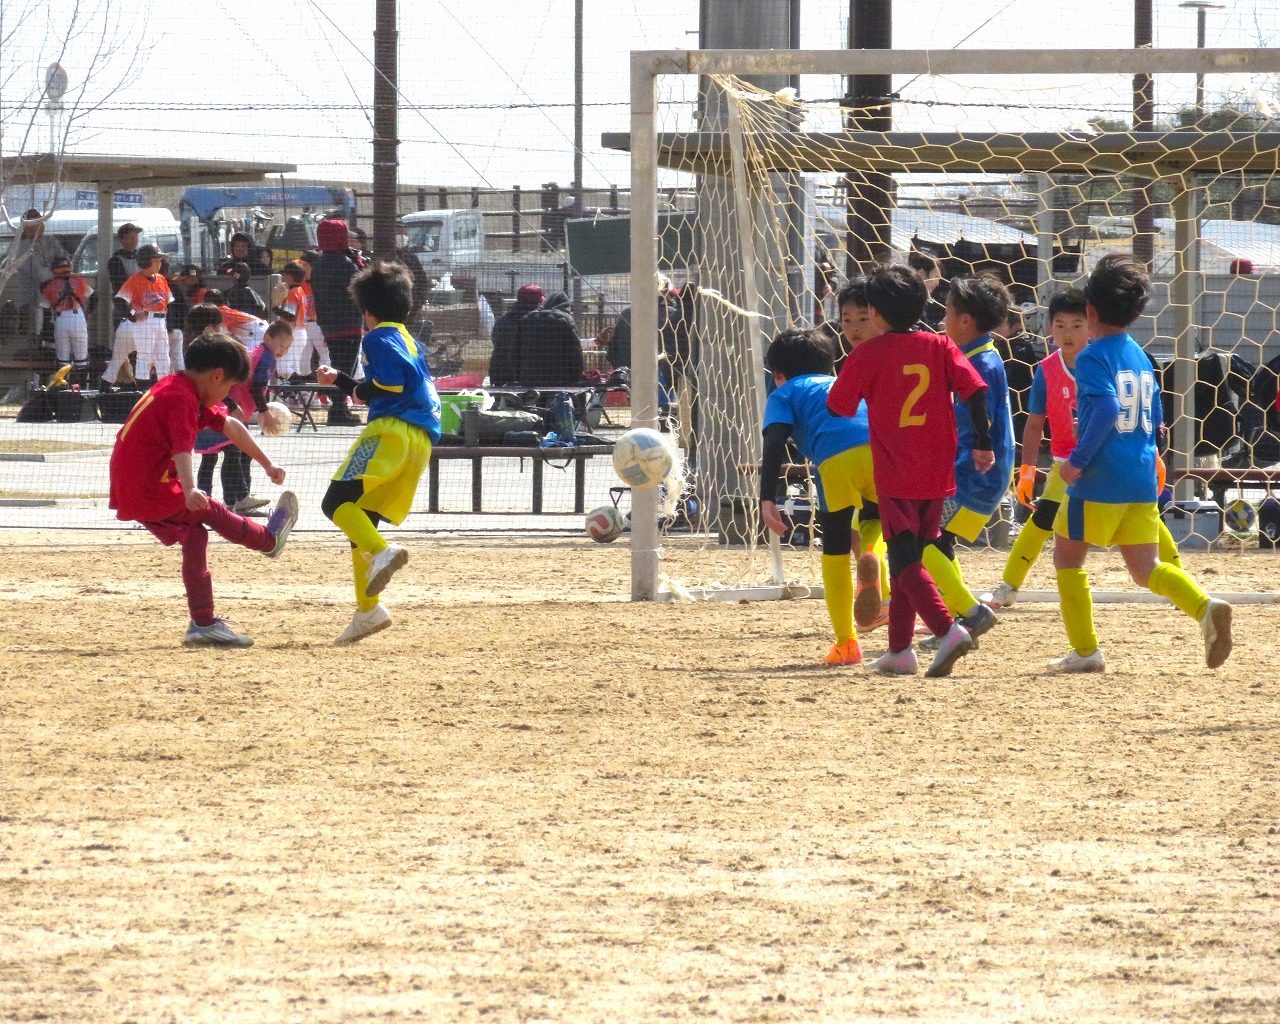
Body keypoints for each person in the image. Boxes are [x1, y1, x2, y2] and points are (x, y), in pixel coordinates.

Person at [1049, 254, 1232, 673]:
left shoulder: (1092, 357)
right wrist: (1153, 455)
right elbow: (1157, 417)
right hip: (1140, 477)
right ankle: (1204, 607)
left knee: (1067, 560)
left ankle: (1085, 652)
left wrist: (1077, 460)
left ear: (1089, 310)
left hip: (1099, 479)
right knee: (1146, 568)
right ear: (1136, 313)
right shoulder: (1140, 355)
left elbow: (1107, 408)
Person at [827, 263, 993, 678]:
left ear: (875, 313)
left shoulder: (867, 354)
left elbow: (838, 406)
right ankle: (899, 650)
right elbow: (975, 391)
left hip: (896, 470)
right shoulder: (940, 345)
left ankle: (948, 629)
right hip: (937, 468)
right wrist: (984, 443)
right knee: (909, 558)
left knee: (904, 561)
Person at [982, 287, 1184, 610]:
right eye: (1060, 326)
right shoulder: (1046, 370)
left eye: (1077, 325)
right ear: (1050, 329)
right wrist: (1027, 470)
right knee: (1041, 521)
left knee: (1148, 525)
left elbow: (1143, 411)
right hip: (1066, 465)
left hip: (1105, 463)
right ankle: (1009, 586)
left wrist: (1156, 454)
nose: (1068, 334)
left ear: (1091, 325)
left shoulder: (1105, 362)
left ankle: (1179, 582)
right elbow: (1034, 425)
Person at [108, 331, 299, 647]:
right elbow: (183, 448)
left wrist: (267, 463)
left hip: (134, 484)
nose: (226, 395)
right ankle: (268, 541)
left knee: (195, 536)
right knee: (208, 508)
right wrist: (190, 489)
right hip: (148, 486)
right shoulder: (182, 399)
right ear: (217, 376)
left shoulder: (180, 387)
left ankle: (203, 623)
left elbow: (230, 425)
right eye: (228, 388)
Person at [316, 260, 441, 645]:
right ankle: (368, 610)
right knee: (362, 519)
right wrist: (342, 381)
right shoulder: (408, 339)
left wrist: (362, 388)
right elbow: (387, 388)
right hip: (419, 439)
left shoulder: (375, 338)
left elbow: (389, 384)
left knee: (335, 503)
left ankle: (382, 553)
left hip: (390, 432)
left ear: (367, 312)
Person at [759, 327, 886, 667]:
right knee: (874, 520)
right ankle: (872, 558)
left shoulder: (784, 393)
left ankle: (847, 643)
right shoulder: (843, 382)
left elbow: (775, 441)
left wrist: (767, 497)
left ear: (778, 374)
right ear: (830, 365)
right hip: (881, 451)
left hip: (835, 459)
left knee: (835, 546)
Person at [913, 273, 1016, 641]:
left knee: (919, 540)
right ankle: (958, 618)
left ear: (966, 321)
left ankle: (971, 613)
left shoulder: (981, 363)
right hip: (977, 471)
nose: (942, 321)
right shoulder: (979, 356)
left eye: (947, 313)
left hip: (974, 473)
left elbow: (979, 427)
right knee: (936, 541)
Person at [307, 220, 363, 424]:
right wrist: (357, 262)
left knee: (337, 365)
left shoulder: (318, 264)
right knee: (346, 368)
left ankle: (339, 408)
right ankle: (338, 410)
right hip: (348, 324)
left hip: (329, 325)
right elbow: (360, 285)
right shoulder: (344, 263)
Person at [103, 244, 173, 385]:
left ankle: (164, 389)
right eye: (156, 260)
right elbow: (119, 300)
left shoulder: (161, 279)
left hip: (160, 320)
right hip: (144, 321)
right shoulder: (135, 280)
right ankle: (142, 392)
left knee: (163, 358)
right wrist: (133, 315)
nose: (160, 263)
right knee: (145, 358)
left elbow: (169, 302)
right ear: (146, 262)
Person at [10, 209, 68, 342]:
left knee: (56, 338)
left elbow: (67, 262)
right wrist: (58, 270)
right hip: (33, 302)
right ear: (25, 227)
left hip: (55, 298)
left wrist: (58, 270)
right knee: (35, 338)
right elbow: (40, 276)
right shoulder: (22, 248)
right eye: (34, 222)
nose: (38, 225)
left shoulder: (51, 241)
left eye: (40, 221)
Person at [39, 256, 92, 376]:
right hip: (78, 317)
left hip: (61, 319)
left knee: (63, 360)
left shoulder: (50, 285)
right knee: (81, 359)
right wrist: (88, 313)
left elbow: (46, 309)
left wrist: (46, 324)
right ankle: (80, 383)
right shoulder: (78, 280)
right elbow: (94, 297)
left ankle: (64, 383)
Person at [518, 290, 583, 387]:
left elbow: (515, 351)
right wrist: (575, 377)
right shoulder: (565, 319)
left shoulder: (527, 319)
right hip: (559, 379)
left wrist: (519, 375)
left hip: (529, 379)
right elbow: (574, 352)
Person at [489, 284, 542, 386]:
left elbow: (495, 341)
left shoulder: (502, 320)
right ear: (536, 303)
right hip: (527, 376)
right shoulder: (537, 322)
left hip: (499, 373)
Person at [272, 261, 310, 379]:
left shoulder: (293, 293)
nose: (283, 277)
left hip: (291, 333)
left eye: (285, 274)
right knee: (294, 366)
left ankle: (299, 383)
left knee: (282, 367)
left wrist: (275, 308)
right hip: (301, 333)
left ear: (290, 276)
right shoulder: (300, 290)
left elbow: (290, 316)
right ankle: (300, 388)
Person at [908, 251, 947, 332]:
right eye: (936, 276)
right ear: (921, 273)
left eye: (939, 279)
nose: (937, 283)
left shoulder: (921, 300)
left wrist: (938, 328)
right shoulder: (907, 299)